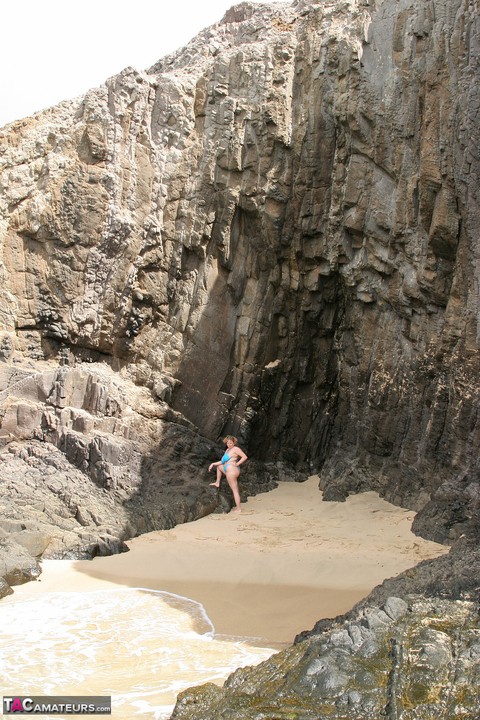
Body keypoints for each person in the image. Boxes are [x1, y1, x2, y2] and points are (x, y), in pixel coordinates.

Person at [208, 435, 248, 513]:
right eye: (228, 443)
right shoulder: (227, 450)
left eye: (231, 443)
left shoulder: (236, 449)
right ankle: (217, 482)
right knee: (219, 466)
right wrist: (213, 464)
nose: (229, 444)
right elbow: (222, 462)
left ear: (234, 443)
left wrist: (238, 463)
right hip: (226, 468)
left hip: (232, 470)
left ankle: (239, 508)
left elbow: (244, 457)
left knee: (235, 490)